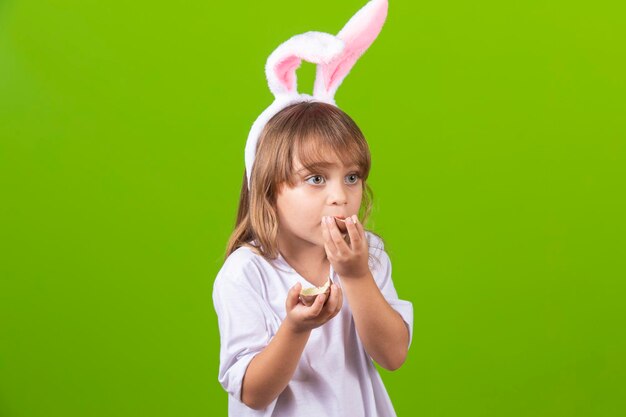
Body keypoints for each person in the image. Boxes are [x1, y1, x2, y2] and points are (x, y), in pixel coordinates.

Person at [213, 1, 413, 416]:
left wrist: (356, 275)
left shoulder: (368, 255)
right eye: (316, 179)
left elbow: (393, 355)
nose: (340, 195)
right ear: (268, 189)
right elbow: (252, 392)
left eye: (352, 177)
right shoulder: (247, 273)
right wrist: (295, 328)